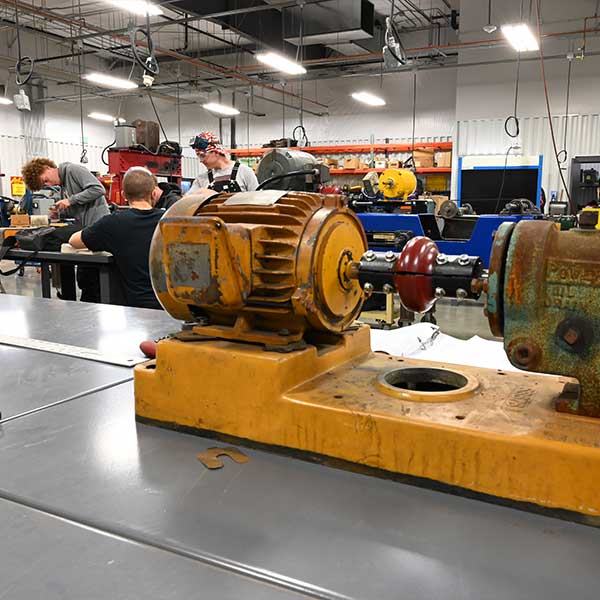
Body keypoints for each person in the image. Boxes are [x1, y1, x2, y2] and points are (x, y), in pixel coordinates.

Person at [68, 167, 163, 310]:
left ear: (124, 195)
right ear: (154, 193)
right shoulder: (169, 219)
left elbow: (74, 241)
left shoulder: (112, 223)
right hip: (171, 305)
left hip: (135, 308)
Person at [21, 158, 110, 302]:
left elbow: (98, 189)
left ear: (46, 167)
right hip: (86, 229)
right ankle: (75, 301)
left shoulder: (73, 170)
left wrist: (70, 200)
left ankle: (92, 307)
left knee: (90, 277)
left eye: (45, 181)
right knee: (84, 276)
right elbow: (77, 209)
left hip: (98, 226)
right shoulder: (63, 185)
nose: (49, 185)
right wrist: (60, 213)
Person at [187, 131, 258, 194]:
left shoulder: (244, 172)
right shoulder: (201, 179)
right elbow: (186, 200)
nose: (201, 160)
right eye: (198, 156)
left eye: (203, 156)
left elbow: (258, 199)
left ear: (215, 152)